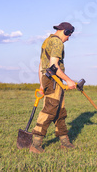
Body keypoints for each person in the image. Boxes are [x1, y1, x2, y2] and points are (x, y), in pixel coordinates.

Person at [30, 22, 77, 154]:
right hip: (54, 80)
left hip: (48, 80)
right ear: (65, 32)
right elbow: (53, 66)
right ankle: (36, 144)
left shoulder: (47, 41)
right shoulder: (57, 42)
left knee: (59, 111)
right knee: (50, 110)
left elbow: (41, 65)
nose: (69, 38)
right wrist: (69, 80)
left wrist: (41, 85)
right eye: (69, 35)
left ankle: (64, 142)